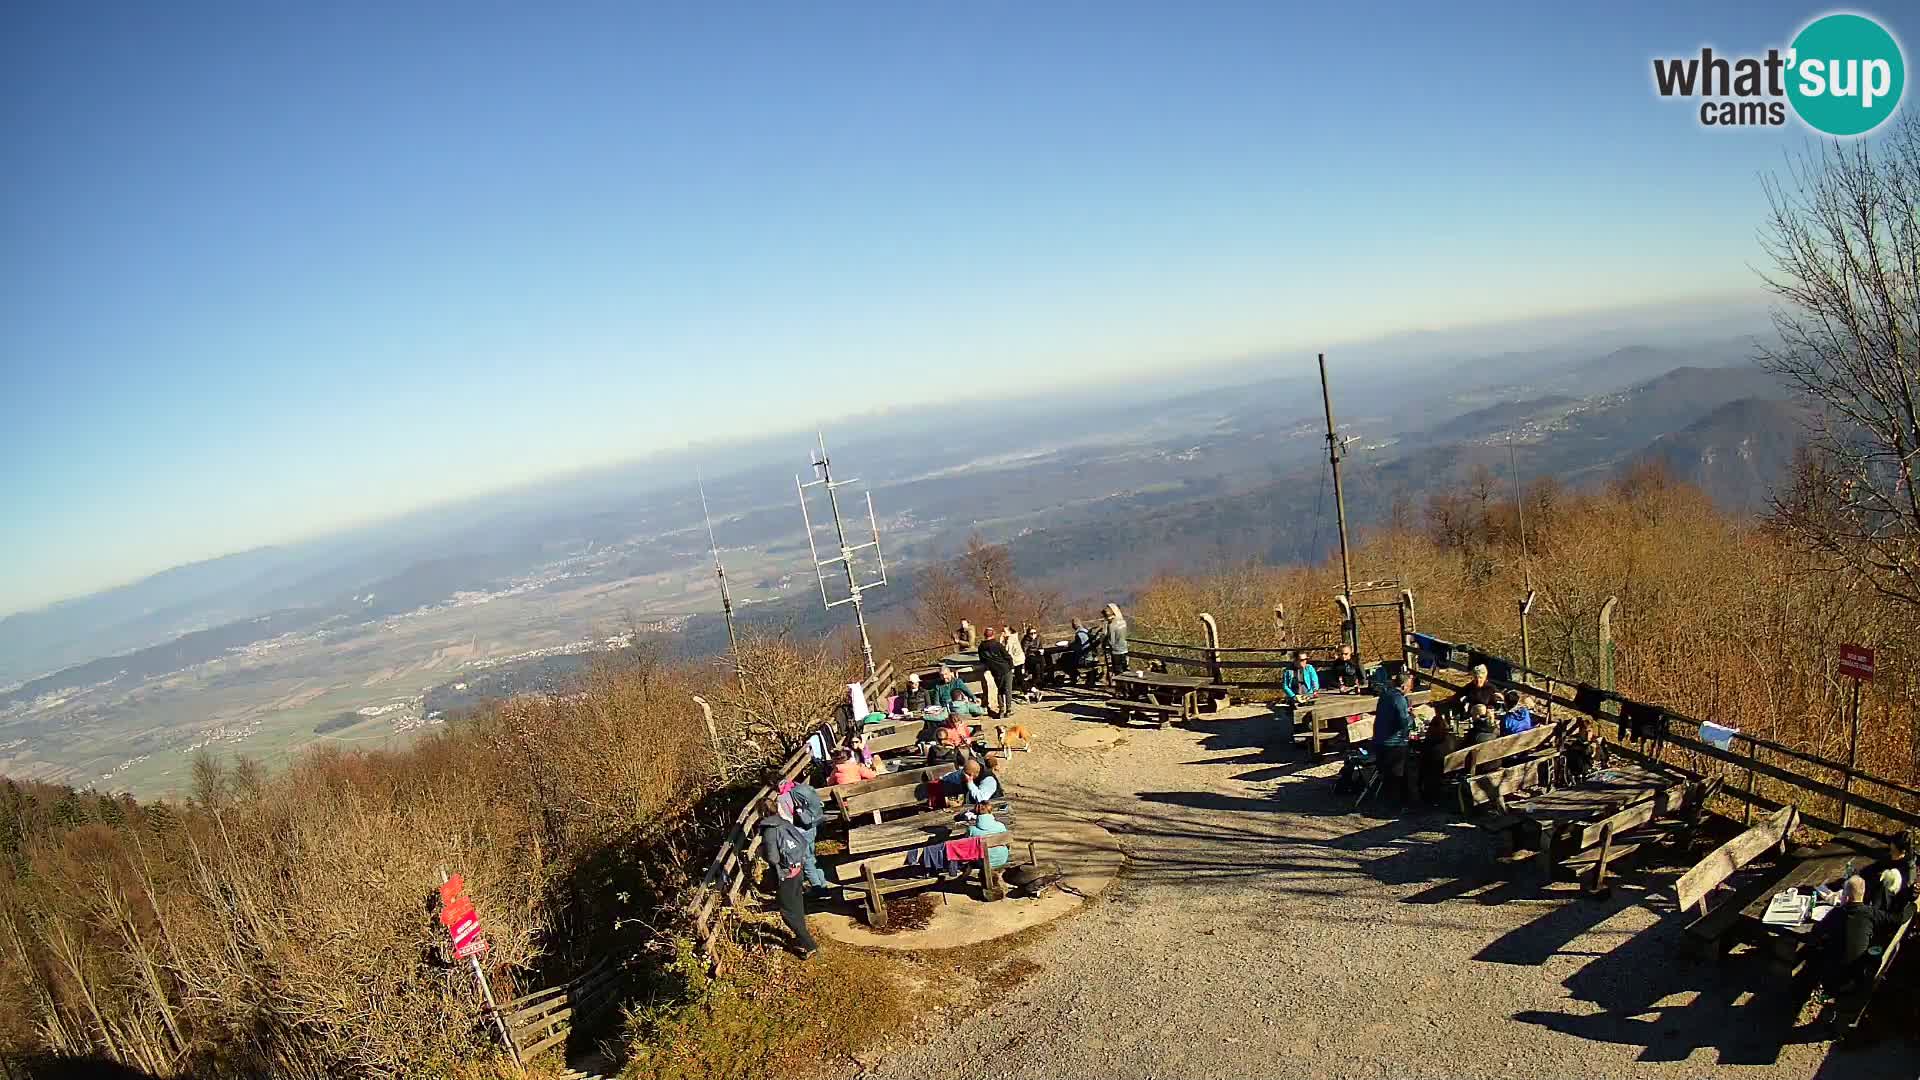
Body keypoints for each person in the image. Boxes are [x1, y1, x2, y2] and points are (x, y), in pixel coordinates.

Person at [1825, 874, 1914, 993]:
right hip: (1859, 969)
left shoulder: (1836, 913)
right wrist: (1913, 906)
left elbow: (1817, 931)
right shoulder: (1872, 913)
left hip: (1839, 972)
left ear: (1845, 898)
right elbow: (1898, 918)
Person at [755, 794, 819, 958]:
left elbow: (773, 858)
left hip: (785, 875)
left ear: (761, 814)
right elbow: (802, 842)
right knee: (796, 906)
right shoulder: (785, 823)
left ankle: (808, 944)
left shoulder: (770, 832)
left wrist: (761, 852)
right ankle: (801, 935)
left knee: (786, 912)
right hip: (797, 869)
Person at [1371, 667, 1417, 808]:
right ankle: (1402, 802)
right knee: (1403, 770)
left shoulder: (1385, 696)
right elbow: (1403, 723)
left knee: (1392, 772)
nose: (1410, 689)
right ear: (1403, 686)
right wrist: (1411, 718)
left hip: (1379, 742)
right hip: (1394, 744)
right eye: (1409, 687)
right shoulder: (1399, 699)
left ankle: (1394, 799)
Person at [779, 777, 828, 889]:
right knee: (812, 857)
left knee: (806, 860)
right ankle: (823, 883)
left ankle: (817, 888)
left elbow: (787, 819)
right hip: (811, 825)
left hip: (801, 831)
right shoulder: (796, 785)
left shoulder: (784, 797)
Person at [1417, 710, 1457, 805]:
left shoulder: (1430, 743)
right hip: (1450, 769)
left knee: (1419, 765)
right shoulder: (1450, 740)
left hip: (1435, 772)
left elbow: (1423, 761)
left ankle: (1419, 793)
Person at [978, 627, 1018, 718]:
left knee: (1000, 690)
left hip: (995, 671)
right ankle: (1009, 710)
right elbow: (1007, 657)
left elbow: (982, 660)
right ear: (993, 634)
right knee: (1008, 690)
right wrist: (1012, 667)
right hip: (1005, 669)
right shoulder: (997, 645)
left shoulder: (981, 647)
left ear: (985, 635)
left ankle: (1001, 709)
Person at [967, 802, 1011, 868]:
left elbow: (969, 848)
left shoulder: (971, 829)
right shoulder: (1001, 826)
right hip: (1002, 859)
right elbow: (1007, 843)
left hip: (982, 862)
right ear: (990, 810)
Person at [1103, 604, 1130, 678]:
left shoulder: (1112, 625)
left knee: (1118, 670)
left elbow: (1111, 641)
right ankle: (1127, 686)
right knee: (1125, 668)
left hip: (1116, 651)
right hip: (1124, 648)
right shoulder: (1123, 622)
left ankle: (1121, 687)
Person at [1082, 618, 1108, 687]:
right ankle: (1096, 678)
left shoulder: (1099, 632)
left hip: (1099, 651)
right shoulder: (1095, 631)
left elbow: (1098, 640)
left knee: (1102, 663)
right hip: (1097, 651)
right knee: (1098, 663)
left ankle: (1100, 678)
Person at [1003, 626, 1027, 691]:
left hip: (1016, 660)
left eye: (1004, 631)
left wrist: (1001, 640)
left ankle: (1031, 691)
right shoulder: (1014, 637)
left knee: (1019, 677)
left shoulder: (1010, 639)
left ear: (1009, 632)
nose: (1003, 633)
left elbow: (1008, 652)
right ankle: (1027, 691)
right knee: (1019, 676)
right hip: (1020, 659)